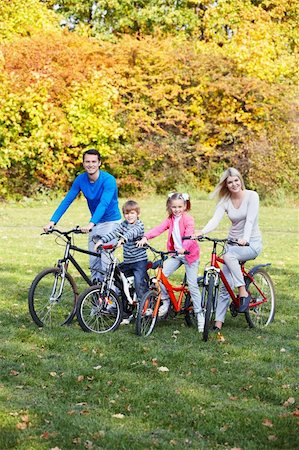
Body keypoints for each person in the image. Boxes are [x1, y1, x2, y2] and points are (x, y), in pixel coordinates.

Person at [198, 167, 262, 331]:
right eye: (229, 182)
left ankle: (242, 292)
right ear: (226, 185)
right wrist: (202, 231)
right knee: (226, 283)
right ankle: (218, 324)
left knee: (229, 256)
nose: (234, 184)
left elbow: (249, 220)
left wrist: (245, 239)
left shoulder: (252, 196)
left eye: (236, 180)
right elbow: (215, 220)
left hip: (251, 243)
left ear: (241, 180)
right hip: (232, 243)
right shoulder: (225, 201)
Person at [43, 149, 121, 280]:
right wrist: (52, 221)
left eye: (94, 162)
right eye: (87, 162)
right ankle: (96, 296)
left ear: (99, 163)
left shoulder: (108, 180)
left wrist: (91, 223)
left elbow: (104, 203)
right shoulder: (80, 180)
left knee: (105, 262)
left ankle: (112, 297)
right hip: (95, 223)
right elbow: (67, 201)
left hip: (111, 222)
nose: (90, 165)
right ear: (83, 164)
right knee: (93, 263)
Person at [137, 192, 204, 332]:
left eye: (179, 207)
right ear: (169, 206)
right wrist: (146, 237)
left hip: (189, 255)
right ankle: (166, 301)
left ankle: (199, 314)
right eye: (174, 207)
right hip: (176, 255)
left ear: (185, 206)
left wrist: (183, 248)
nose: (177, 209)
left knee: (192, 285)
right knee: (159, 276)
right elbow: (159, 229)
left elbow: (190, 236)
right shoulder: (171, 219)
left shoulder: (188, 219)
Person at [93, 200, 148, 304]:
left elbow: (132, 233)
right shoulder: (124, 224)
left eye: (132, 213)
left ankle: (145, 307)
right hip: (128, 261)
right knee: (121, 284)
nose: (129, 216)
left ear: (138, 214)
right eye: (126, 213)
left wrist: (123, 239)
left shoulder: (139, 225)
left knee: (139, 284)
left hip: (139, 261)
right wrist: (101, 240)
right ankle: (124, 311)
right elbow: (114, 233)